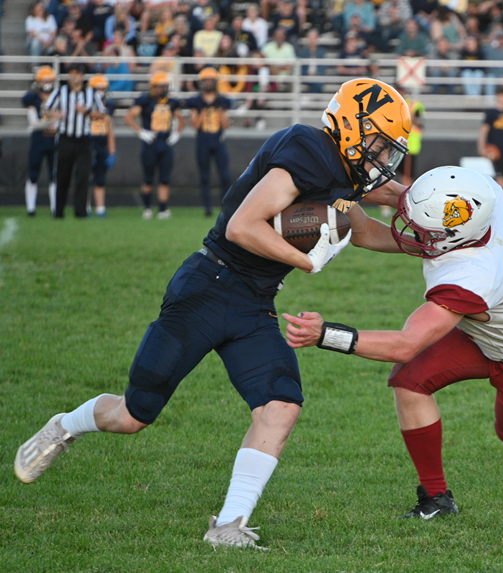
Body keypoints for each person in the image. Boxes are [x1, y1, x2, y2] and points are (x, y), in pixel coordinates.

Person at [14, 78, 412, 549]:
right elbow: (244, 226)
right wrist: (308, 260)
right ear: (351, 125)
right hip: (207, 287)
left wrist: (432, 237)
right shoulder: (308, 148)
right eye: (380, 145)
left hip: (253, 304)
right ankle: (64, 425)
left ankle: (228, 526)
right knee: (134, 415)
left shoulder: (343, 172)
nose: (383, 159)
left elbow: (377, 218)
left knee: (280, 404)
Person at [284, 166, 503, 518]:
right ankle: (437, 498)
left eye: (420, 226)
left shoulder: (470, 275)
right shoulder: (482, 199)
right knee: (409, 382)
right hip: (485, 336)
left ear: (451, 235)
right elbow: (396, 195)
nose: (407, 226)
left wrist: (325, 335)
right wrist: (331, 186)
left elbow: (405, 344)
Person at [45, 62, 106, 219]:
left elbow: (102, 114)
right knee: (62, 176)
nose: (74, 76)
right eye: (71, 73)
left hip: (84, 140)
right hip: (66, 138)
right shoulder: (61, 92)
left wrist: (86, 111)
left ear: (82, 76)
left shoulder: (91, 93)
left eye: (77, 73)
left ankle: (80, 212)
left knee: (83, 176)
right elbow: (45, 109)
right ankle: (58, 211)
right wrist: (54, 115)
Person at [124, 72, 185, 220]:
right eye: (159, 86)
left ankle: (163, 210)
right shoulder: (145, 101)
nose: (161, 89)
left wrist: (176, 134)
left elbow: (181, 119)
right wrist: (141, 132)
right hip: (150, 144)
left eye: (163, 86)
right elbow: (128, 117)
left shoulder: (172, 102)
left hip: (165, 143)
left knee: (164, 179)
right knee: (148, 178)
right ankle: (147, 208)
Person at [186, 67, 232, 217]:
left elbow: (225, 125)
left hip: (218, 141)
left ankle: (224, 207)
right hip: (203, 141)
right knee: (204, 177)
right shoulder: (196, 101)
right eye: (206, 80)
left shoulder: (222, 100)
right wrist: (204, 111)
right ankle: (207, 208)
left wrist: (218, 111)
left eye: (211, 80)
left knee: (225, 176)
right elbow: (195, 125)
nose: (208, 83)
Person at [22, 66, 59, 217]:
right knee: (33, 174)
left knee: (54, 175)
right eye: (44, 81)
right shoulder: (32, 98)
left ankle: (55, 208)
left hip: (54, 138)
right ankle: (31, 208)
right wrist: (52, 120)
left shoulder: (58, 98)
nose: (46, 83)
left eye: (48, 80)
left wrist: (56, 121)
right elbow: (34, 123)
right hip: (38, 139)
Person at [88, 74, 116, 218]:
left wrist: (112, 151)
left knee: (100, 179)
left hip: (101, 144)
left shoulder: (109, 107)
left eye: (102, 88)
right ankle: (85, 207)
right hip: (87, 142)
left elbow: (110, 129)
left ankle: (100, 208)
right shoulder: (85, 106)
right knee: (85, 178)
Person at [477, 84, 503, 189]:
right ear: (497, 96)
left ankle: (499, 201)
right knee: (499, 178)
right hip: (495, 148)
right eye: (502, 96)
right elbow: (484, 130)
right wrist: (481, 147)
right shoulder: (492, 113)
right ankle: (498, 202)